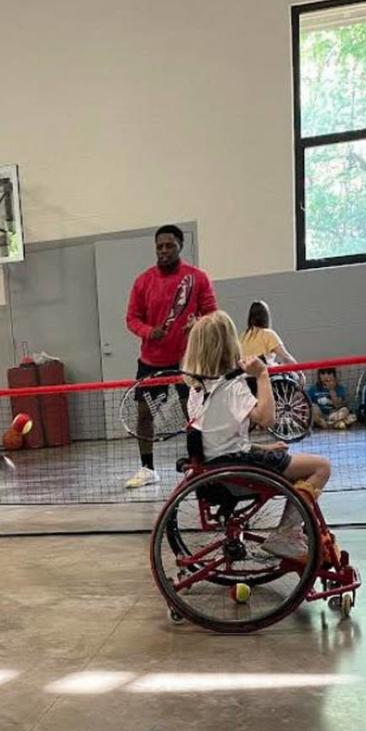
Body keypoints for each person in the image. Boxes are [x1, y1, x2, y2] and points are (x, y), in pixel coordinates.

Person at [182, 311, 332, 560]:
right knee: (321, 467)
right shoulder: (232, 387)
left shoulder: (196, 389)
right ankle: (286, 535)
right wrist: (262, 375)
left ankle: (291, 532)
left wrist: (263, 449)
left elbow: (220, 439)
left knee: (295, 464)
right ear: (230, 344)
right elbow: (267, 418)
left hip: (217, 469)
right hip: (237, 471)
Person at [124, 224, 218, 488]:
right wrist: (147, 331)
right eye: (159, 246)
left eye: (169, 246)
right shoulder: (143, 281)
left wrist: (198, 323)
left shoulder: (198, 278)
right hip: (150, 362)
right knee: (144, 414)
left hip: (189, 362)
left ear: (180, 247)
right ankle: (147, 468)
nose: (164, 251)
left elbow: (213, 313)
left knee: (195, 416)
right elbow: (132, 318)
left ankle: (198, 464)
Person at [239, 300, 299, 366]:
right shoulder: (268, 334)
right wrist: (300, 373)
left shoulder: (243, 336)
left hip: (244, 373)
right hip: (263, 373)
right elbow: (286, 357)